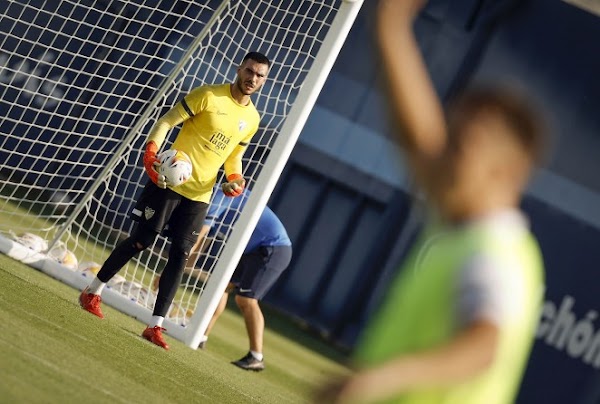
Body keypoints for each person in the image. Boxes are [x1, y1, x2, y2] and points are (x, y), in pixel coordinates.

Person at [319, 1, 547, 403]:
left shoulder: (495, 254)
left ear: (508, 172)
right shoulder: (463, 227)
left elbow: (483, 346)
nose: (439, 155)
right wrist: (391, 27)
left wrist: (384, 377)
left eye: (458, 147)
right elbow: (416, 138)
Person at [78, 51, 271, 351]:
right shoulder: (208, 95)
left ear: (264, 80)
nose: (253, 79)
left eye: (260, 75)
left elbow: (234, 157)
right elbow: (167, 121)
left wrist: (235, 179)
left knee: (180, 256)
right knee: (141, 241)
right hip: (168, 182)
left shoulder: (253, 118)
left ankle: (155, 326)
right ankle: (93, 291)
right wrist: (151, 152)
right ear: (239, 68)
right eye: (250, 71)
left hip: (200, 195)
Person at [155, 188, 292, 371]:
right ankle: (201, 336)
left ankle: (256, 356)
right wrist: (178, 269)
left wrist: (169, 270)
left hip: (273, 249)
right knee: (220, 287)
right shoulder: (218, 197)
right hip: (252, 250)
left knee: (246, 300)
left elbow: (198, 238)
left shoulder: (222, 195)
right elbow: (201, 245)